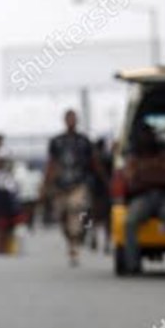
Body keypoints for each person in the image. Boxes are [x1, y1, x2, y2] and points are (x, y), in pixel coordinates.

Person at [123, 122, 165, 274]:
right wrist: (154, 172)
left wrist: (144, 173)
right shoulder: (133, 156)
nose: (146, 138)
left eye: (149, 135)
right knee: (129, 223)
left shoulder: (163, 154)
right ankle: (133, 266)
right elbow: (131, 181)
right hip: (142, 197)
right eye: (143, 135)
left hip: (163, 197)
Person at [43, 109, 95, 266]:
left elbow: (93, 162)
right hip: (60, 186)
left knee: (75, 210)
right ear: (64, 120)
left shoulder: (84, 141)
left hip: (78, 183)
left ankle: (74, 248)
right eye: (68, 119)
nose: (71, 121)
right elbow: (51, 164)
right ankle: (71, 240)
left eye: (73, 119)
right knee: (61, 215)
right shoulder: (56, 141)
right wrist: (46, 184)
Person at [87, 137, 113, 253]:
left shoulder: (92, 159)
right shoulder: (107, 157)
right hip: (104, 190)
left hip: (96, 190)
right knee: (106, 217)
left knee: (89, 214)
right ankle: (105, 241)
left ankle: (93, 236)